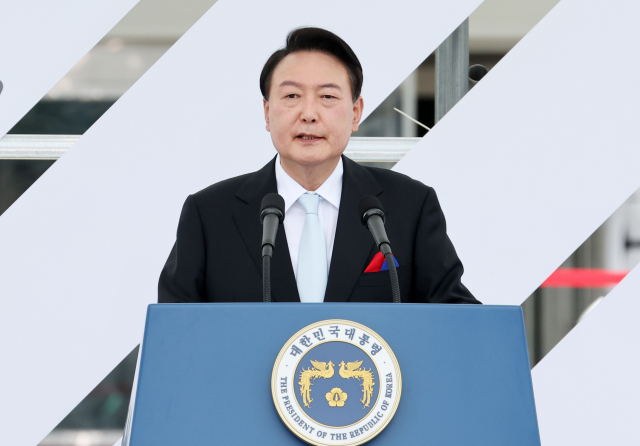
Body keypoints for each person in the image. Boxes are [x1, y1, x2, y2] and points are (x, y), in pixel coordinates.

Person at [158, 27, 479, 305]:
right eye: (292, 96)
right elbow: (175, 331)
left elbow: (457, 319)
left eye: (327, 97)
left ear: (355, 113)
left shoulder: (410, 206)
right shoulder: (209, 214)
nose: (309, 114)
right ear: (267, 113)